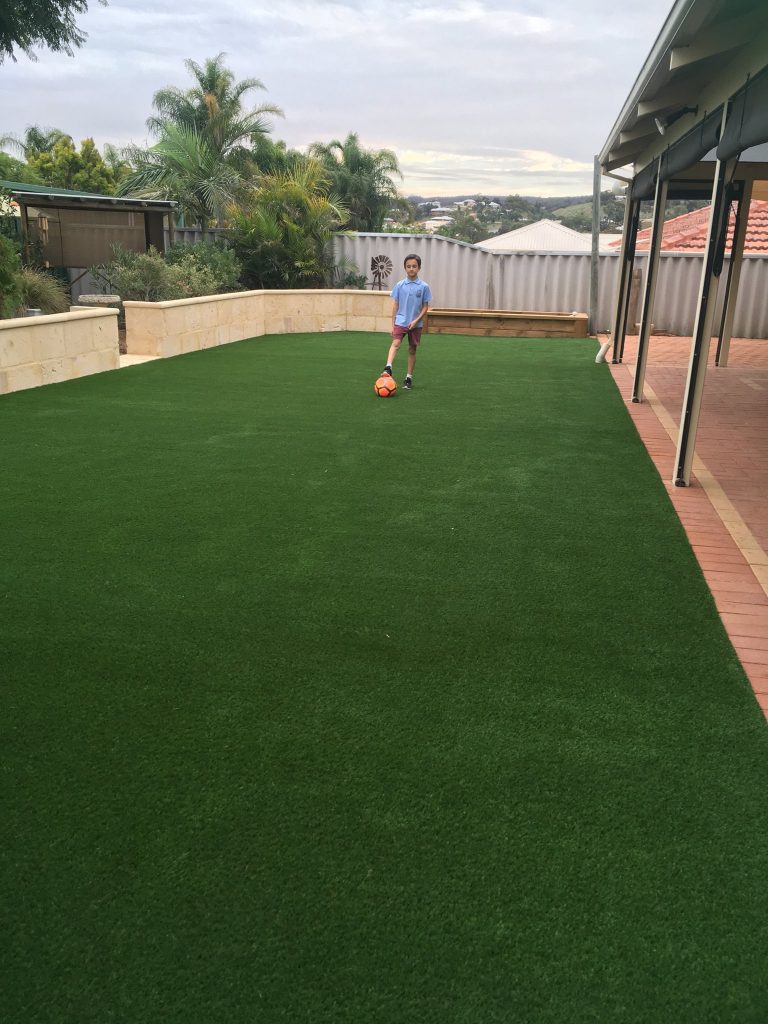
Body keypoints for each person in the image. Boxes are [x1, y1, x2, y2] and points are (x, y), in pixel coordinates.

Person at [381, 254, 432, 390]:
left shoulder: (424, 287)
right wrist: (393, 324)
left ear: (419, 268)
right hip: (401, 321)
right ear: (405, 268)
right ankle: (388, 368)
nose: (411, 269)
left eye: (414, 266)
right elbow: (395, 305)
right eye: (408, 266)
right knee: (396, 343)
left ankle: (408, 378)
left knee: (412, 349)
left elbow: (425, 306)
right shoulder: (399, 285)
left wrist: (416, 321)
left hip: (416, 324)